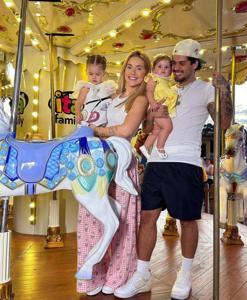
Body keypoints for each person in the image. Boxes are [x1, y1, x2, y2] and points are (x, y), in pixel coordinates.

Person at [114, 39, 233, 299]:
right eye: (174, 62)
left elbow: (224, 122)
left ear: (194, 64)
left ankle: (185, 273)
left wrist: (225, 90)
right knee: (147, 218)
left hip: (186, 162)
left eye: (181, 63)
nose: (176, 67)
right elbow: (147, 126)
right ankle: (142, 273)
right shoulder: (161, 86)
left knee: (187, 221)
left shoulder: (204, 90)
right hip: (157, 161)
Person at [77, 51, 150, 296]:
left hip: (121, 159)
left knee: (122, 223)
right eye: (130, 66)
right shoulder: (111, 95)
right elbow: (87, 111)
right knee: (92, 219)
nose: (133, 72)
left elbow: (126, 129)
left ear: (145, 73)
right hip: (98, 161)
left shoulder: (139, 100)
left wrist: (96, 130)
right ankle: (93, 274)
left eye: (139, 68)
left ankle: (118, 275)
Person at [140, 54, 178, 159]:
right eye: (160, 66)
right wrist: (152, 102)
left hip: (162, 106)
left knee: (156, 130)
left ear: (170, 70)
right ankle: (160, 147)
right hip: (157, 107)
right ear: (154, 69)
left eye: (166, 67)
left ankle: (145, 147)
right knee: (168, 127)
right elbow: (149, 91)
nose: (163, 69)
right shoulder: (154, 79)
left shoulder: (167, 82)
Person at [74, 55, 118, 126]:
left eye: (97, 74)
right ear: (86, 72)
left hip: (105, 123)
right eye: (91, 74)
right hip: (88, 122)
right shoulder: (86, 88)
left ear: (103, 73)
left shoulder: (108, 87)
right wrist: (78, 114)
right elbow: (78, 103)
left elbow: (116, 100)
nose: (94, 77)